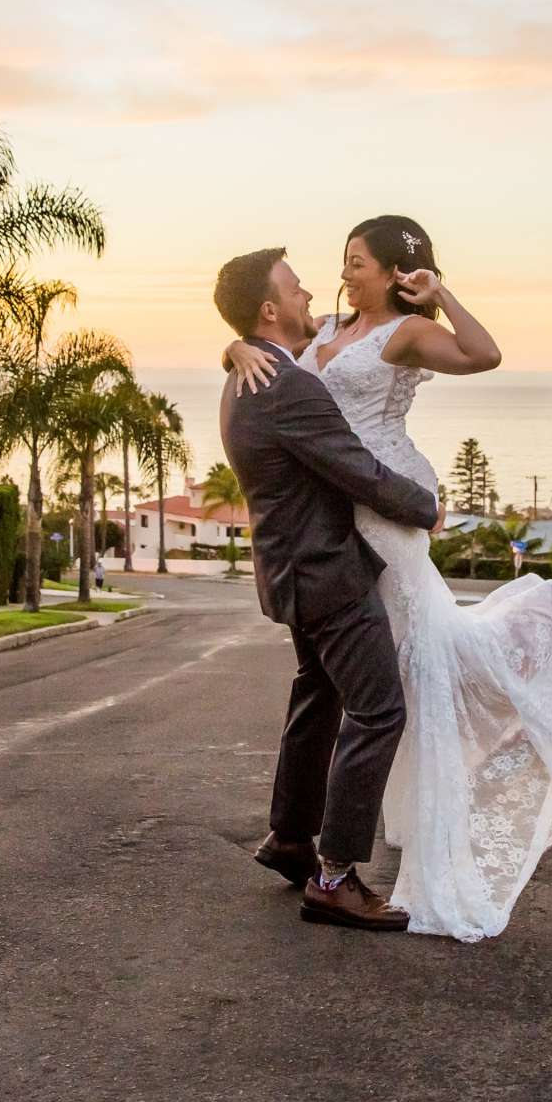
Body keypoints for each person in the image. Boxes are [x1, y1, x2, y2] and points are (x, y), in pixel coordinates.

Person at [226, 215, 552, 941]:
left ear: (392, 272)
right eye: (338, 261)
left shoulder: (402, 333)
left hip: (377, 512)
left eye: (356, 262)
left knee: (381, 679)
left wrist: (440, 293)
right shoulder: (317, 334)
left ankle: (315, 851)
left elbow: (484, 353)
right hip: (345, 517)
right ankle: (313, 857)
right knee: (355, 690)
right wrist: (236, 347)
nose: (338, 274)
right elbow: (270, 344)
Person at [215, 246, 444, 931]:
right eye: (294, 286)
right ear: (269, 309)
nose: (309, 291)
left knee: (318, 696)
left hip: (290, 572)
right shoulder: (284, 384)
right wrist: (427, 506)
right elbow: (357, 472)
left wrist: (231, 347)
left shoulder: (250, 374)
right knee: (378, 712)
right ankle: (336, 875)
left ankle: (289, 837)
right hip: (326, 574)